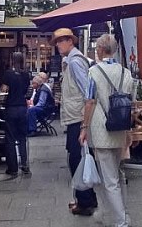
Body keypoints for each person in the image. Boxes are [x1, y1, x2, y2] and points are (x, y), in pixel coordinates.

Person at [79, 34, 133, 227]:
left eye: (96, 48)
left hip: (101, 131)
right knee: (117, 175)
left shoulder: (94, 72)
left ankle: (121, 222)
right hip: (120, 129)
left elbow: (90, 101)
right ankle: (111, 214)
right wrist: (129, 132)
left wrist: (84, 127)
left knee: (109, 179)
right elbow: (130, 103)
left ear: (101, 49)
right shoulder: (126, 73)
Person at [52, 27, 98, 216]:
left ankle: (85, 203)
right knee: (78, 157)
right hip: (75, 116)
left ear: (70, 41)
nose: (57, 45)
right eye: (56, 41)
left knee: (76, 159)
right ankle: (87, 198)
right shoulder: (70, 62)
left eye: (61, 40)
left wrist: (84, 122)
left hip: (77, 117)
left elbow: (88, 91)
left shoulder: (75, 63)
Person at [1, 52, 31, 176]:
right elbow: (27, 90)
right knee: (22, 137)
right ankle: (24, 164)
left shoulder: (8, 74)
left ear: (12, 60)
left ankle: (12, 168)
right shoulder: (26, 74)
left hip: (11, 107)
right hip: (22, 107)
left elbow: (4, 90)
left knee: (10, 138)